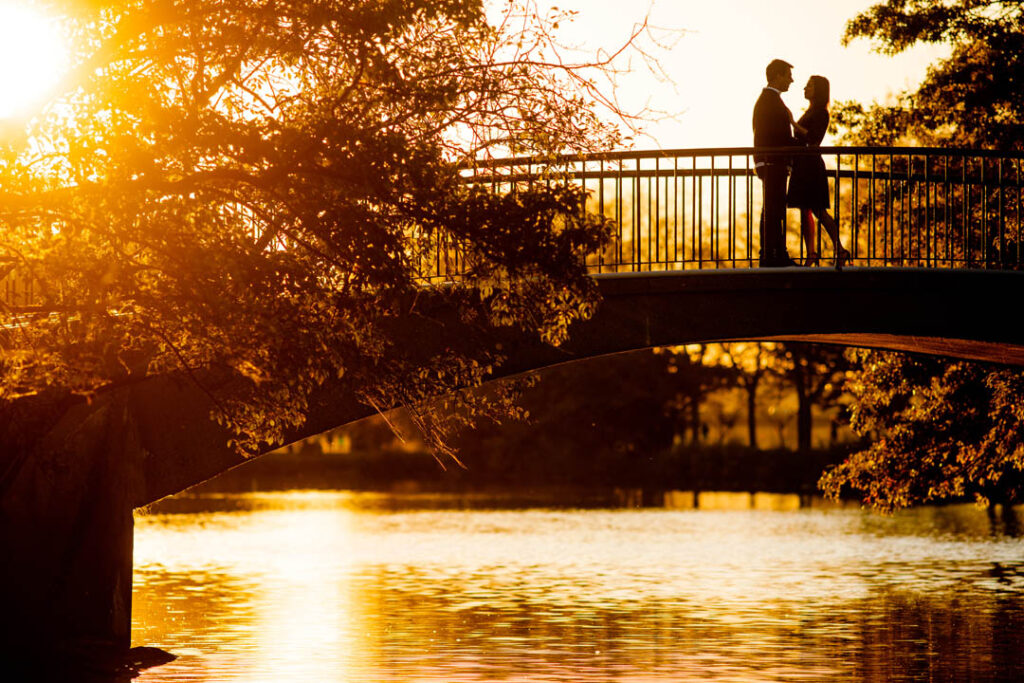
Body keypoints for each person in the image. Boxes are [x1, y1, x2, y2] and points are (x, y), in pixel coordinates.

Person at [787, 75, 851, 269]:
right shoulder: (811, 111)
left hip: (811, 165)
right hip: (802, 164)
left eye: (810, 86)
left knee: (818, 210)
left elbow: (813, 137)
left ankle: (839, 249)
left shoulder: (821, 113)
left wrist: (792, 122)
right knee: (805, 209)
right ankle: (812, 253)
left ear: (819, 90)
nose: (805, 88)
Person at [752, 58, 799, 267]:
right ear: (778, 76)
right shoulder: (770, 101)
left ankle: (772, 253)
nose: (791, 80)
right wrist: (800, 145)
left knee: (772, 209)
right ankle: (773, 255)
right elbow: (777, 136)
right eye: (788, 76)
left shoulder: (768, 99)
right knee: (773, 210)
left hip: (769, 162)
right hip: (772, 162)